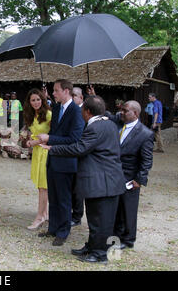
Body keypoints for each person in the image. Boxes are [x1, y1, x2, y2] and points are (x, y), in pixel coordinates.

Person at [40, 96, 126, 263]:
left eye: (81, 108)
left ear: (87, 111)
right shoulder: (108, 123)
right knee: (95, 218)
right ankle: (92, 247)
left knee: (101, 221)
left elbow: (80, 148)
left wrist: (53, 148)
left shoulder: (96, 127)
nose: (80, 111)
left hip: (103, 181)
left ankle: (100, 254)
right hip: (102, 180)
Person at [36, 79, 85, 246]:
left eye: (56, 91)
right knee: (54, 197)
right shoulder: (57, 108)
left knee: (64, 199)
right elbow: (53, 130)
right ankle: (53, 228)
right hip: (53, 160)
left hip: (66, 162)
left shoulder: (76, 111)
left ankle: (63, 232)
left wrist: (50, 139)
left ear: (66, 91)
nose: (54, 94)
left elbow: (74, 139)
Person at [107, 100, 154, 250]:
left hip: (130, 177)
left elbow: (146, 160)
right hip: (115, 174)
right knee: (116, 207)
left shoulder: (145, 134)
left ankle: (128, 239)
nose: (122, 112)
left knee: (129, 209)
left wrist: (139, 179)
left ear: (135, 113)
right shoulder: (119, 125)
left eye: (125, 110)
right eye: (121, 110)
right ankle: (116, 235)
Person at [23, 89, 51, 230]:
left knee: (43, 187)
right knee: (40, 186)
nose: (36, 102)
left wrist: (34, 142)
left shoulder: (48, 114)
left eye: (38, 99)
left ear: (43, 99)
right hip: (36, 152)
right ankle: (44, 213)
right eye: (33, 100)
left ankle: (39, 217)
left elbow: (52, 134)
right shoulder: (31, 115)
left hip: (44, 152)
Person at [71, 86, 85, 227]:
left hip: (81, 155)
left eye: (75, 95)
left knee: (78, 188)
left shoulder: (85, 112)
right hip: (69, 153)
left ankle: (77, 215)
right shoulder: (70, 111)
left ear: (81, 98)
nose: (72, 97)